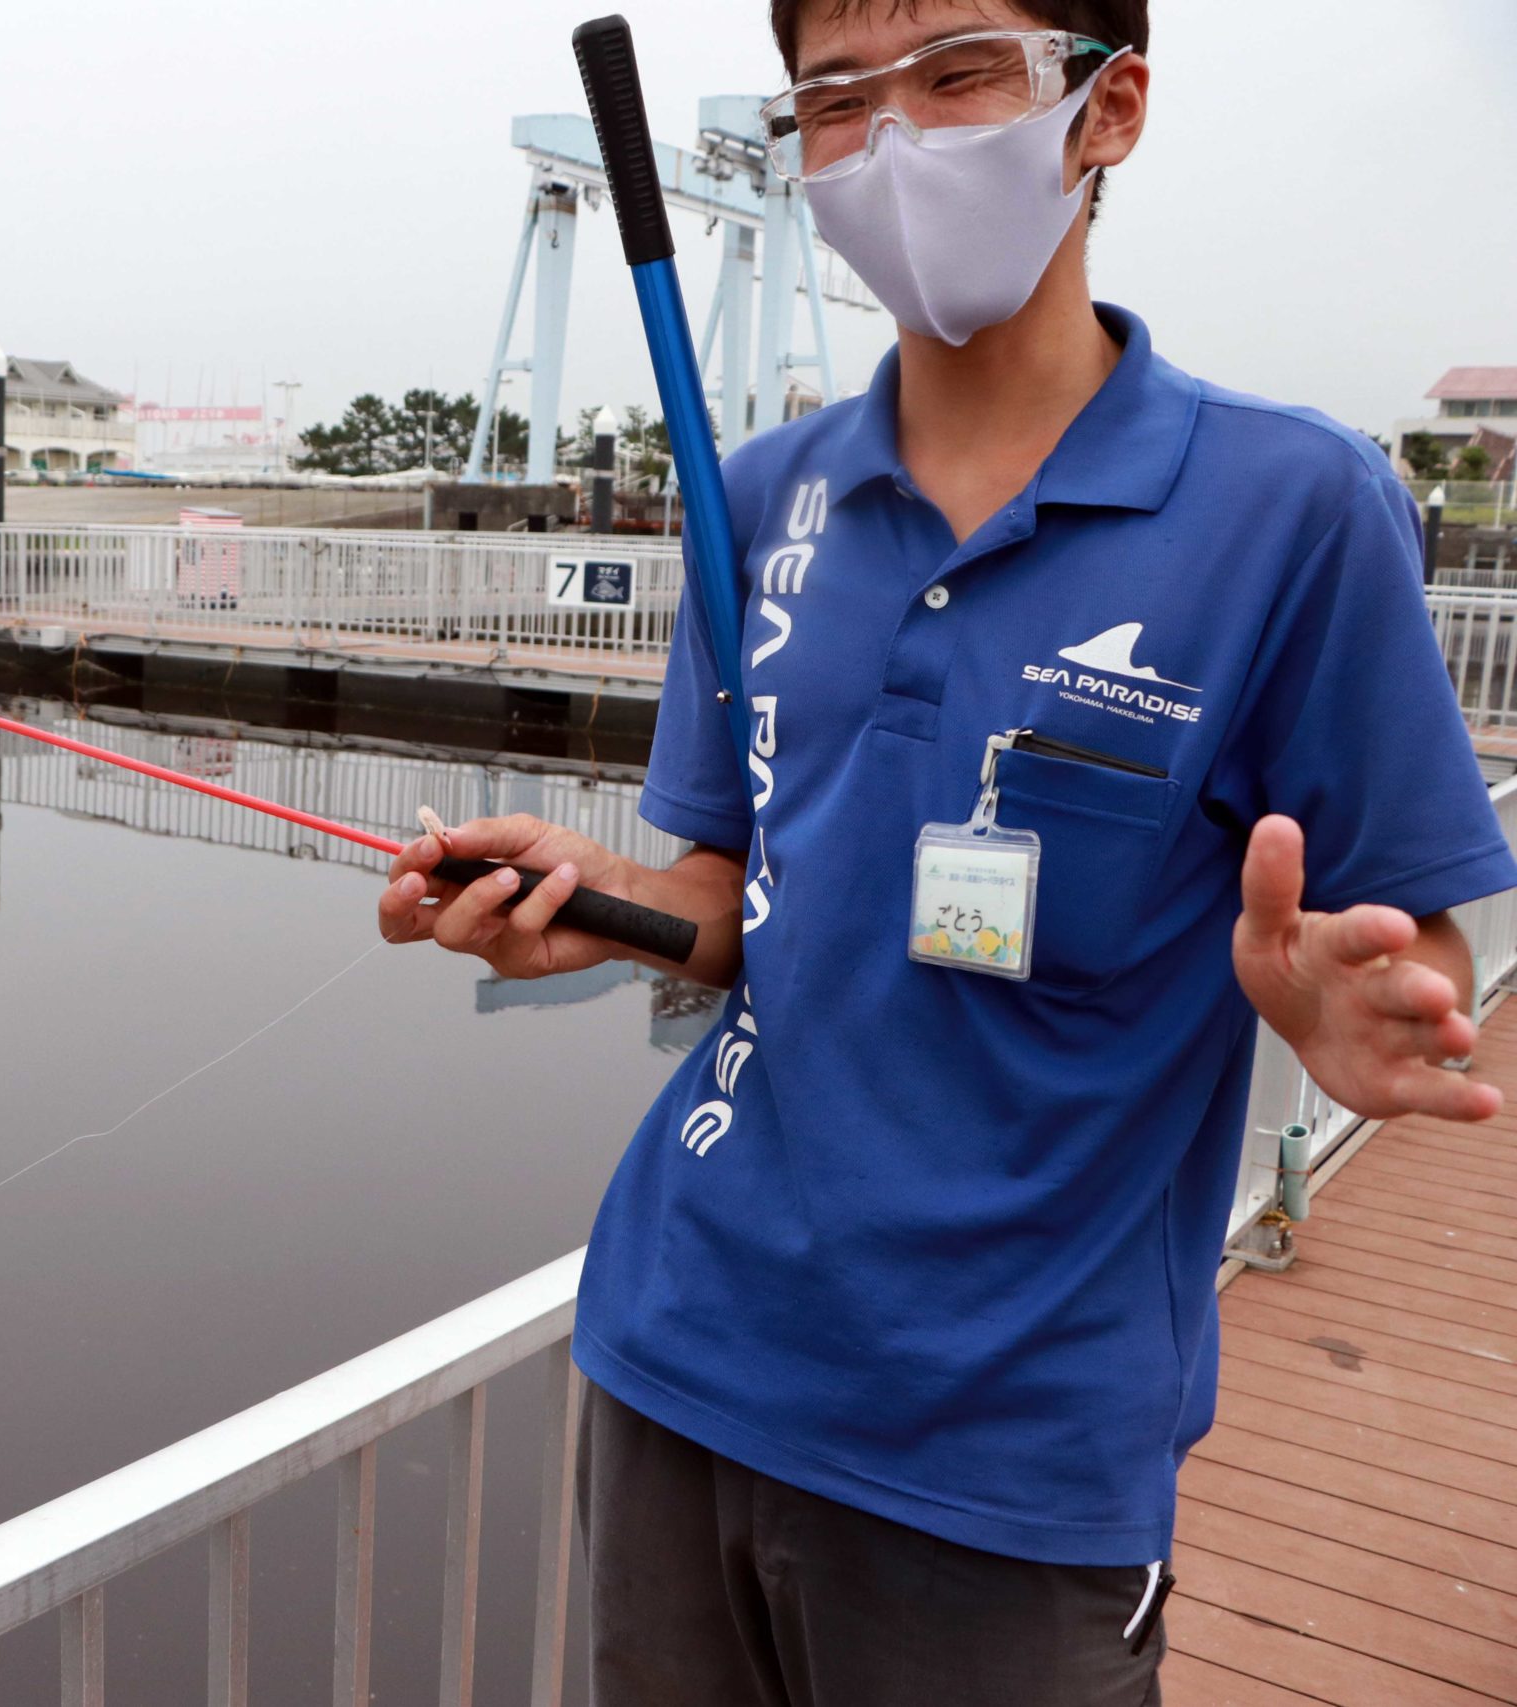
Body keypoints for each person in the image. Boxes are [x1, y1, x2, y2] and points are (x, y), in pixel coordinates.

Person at [377, 3, 1517, 1701]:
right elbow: (735, 895)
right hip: (682, 1342)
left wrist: (1360, 1002)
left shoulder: (1295, 509)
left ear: (1107, 107)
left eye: (958, 73)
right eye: (833, 100)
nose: (890, 140)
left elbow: (1404, 936)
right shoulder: (750, 502)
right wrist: (592, 909)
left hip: (1012, 1450)